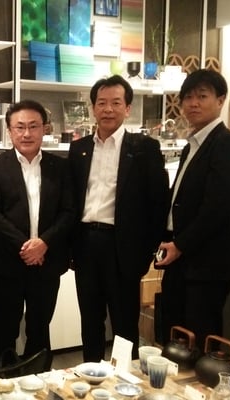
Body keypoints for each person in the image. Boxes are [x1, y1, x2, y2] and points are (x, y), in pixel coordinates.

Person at [68, 75, 169, 361]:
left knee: (124, 323)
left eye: (115, 103)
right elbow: (71, 200)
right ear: (93, 108)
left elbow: (158, 203)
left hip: (123, 247)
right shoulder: (79, 149)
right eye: (101, 103)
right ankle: (90, 373)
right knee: (90, 320)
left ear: (127, 108)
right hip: (86, 244)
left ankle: (125, 378)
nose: (108, 109)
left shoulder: (144, 149)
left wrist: (146, 252)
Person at [155, 69, 230, 351]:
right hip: (181, 259)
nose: (193, 103)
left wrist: (180, 245)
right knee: (175, 337)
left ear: (220, 100)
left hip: (208, 264)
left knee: (200, 338)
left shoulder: (228, 144)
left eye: (202, 96)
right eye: (188, 97)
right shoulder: (193, 146)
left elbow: (217, 208)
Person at [0, 100, 75, 366]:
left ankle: (39, 378)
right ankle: (4, 382)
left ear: (45, 129)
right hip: (6, 262)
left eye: (33, 126)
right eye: (19, 127)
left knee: (40, 327)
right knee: (5, 329)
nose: (26, 133)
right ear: (9, 131)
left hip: (47, 262)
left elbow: (69, 211)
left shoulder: (60, 167)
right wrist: (26, 246)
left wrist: (44, 243)